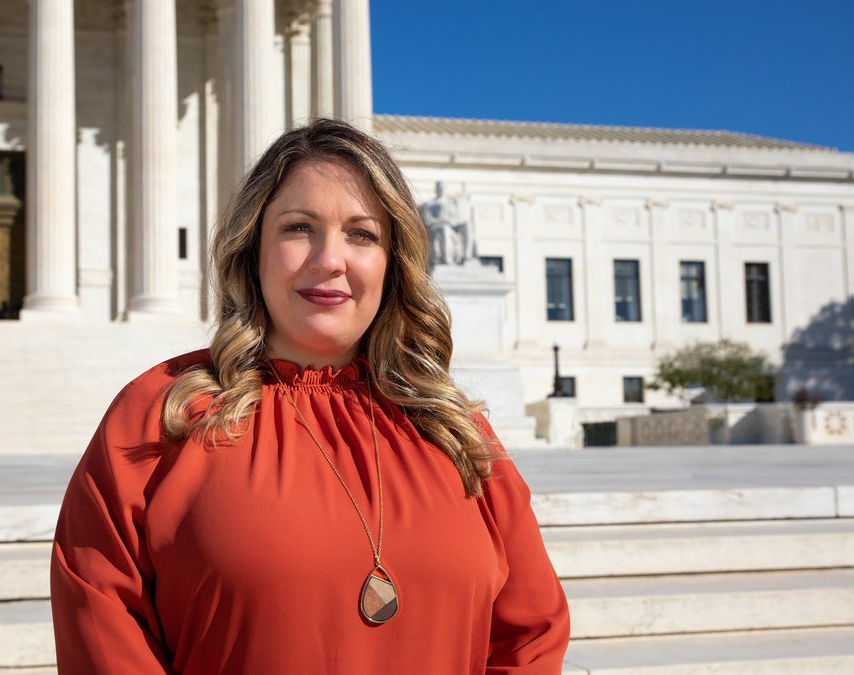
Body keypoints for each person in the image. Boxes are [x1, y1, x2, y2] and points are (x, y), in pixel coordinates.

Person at [50, 118, 570, 674]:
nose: (330, 259)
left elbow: (531, 636)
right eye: (299, 228)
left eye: (362, 234)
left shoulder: (456, 432)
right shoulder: (161, 414)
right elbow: (103, 626)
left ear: (393, 263)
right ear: (253, 249)